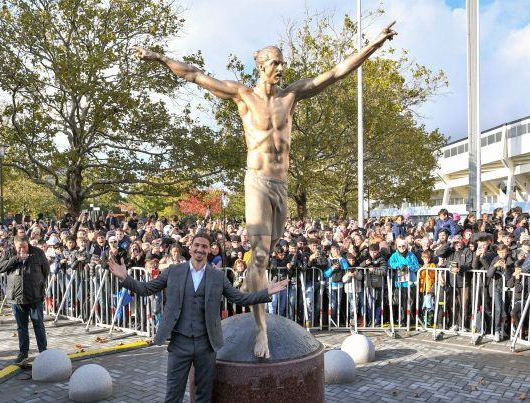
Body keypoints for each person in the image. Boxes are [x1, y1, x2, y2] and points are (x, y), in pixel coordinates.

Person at [133, 21, 397, 359]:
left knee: (267, 256)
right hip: (256, 181)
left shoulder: (291, 96)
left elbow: (335, 73)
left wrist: (374, 43)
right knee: (258, 256)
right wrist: (157, 57)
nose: (281, 68)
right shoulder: (242, 95)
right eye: (275, 62)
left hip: (281, 184)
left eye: (283, 62)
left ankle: (249, 289)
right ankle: (260, 331)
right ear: (260, 65)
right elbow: (195, 75)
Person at [107, 232, 287, 403]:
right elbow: (146, 289)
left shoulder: (218, 277)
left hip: (206, 345)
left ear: (209, 250)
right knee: (172, 395)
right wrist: (125, 277)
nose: (200, 249)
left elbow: (239, 298)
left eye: (204, 246)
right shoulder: (173, 271)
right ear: (190, 247)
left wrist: (266, 292)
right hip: (179, 343)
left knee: (203, 395)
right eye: (197, 245)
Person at [0, 235, 50, 363]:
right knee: (22, 327)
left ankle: (43, 351)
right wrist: (16, 259)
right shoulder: (9, 253)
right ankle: (23, 352)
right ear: (14, 245)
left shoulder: (37, 252)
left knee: (39, 324)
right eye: (20, 248)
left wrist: (38, 284)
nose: (23, 250)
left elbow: (45, 271)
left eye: (25, 247)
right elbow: (0, 268)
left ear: (28, 244)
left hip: (35, 295)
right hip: (16, 296)